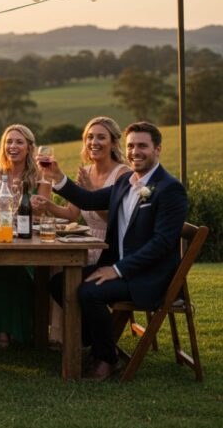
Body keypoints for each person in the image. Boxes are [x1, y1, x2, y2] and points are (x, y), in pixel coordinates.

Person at [42, 122, 188, 381]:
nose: (135, 151)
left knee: (89, 292)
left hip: (147, 276)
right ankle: (98, 342)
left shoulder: (169, 188)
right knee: (59, 282)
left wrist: (117, 269)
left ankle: (107, 359)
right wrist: (58, 177)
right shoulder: (126, 181)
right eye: (131, 146)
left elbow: (162, 243)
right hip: (121, 268)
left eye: (142, 146)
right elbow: (88, 200)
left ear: (157, 149)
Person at [30, 117, 131, 347]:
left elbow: (117, 219)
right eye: (89, 137)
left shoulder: (124, 174)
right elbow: (72, 214)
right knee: (57, 280)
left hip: (111, 246)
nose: (94, 142)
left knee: (69, 282)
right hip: (85, 243)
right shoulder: (85, 170)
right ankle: (86, 334)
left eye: (101, 137)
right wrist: (48, 207)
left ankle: (88, 337)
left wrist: (92, 191)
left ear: (114, 143)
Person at [0, 124, 45, 348]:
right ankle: (1, 332)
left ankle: (22, 330)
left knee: (19, 269)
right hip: (3, 236)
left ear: (29, 147)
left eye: (19, 142)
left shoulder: (40, 176)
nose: (13, 146)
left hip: (30, 240)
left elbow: (40, 213)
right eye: (9, 142)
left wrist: (32, 204)